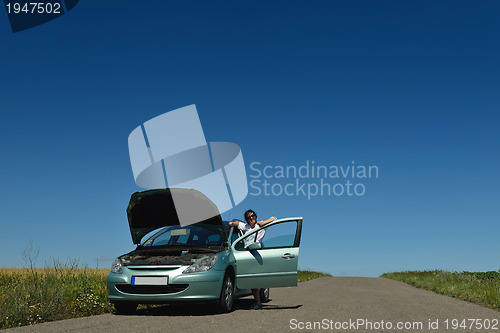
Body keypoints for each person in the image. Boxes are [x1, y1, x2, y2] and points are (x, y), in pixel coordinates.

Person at [228, 209, 277, 310]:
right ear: (246, 219)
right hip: (247, 254)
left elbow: (274, 219)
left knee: (256, 279)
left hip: (257, 253)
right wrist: (232, 223)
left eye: (253, 216)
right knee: (252, 281)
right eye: (249, 217)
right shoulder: (245, 227)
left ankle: (258, 302)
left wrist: (264, 222)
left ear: (256, 216)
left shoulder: (261, 226)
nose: (251, 218)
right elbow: (236, 224)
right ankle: (258, 304)